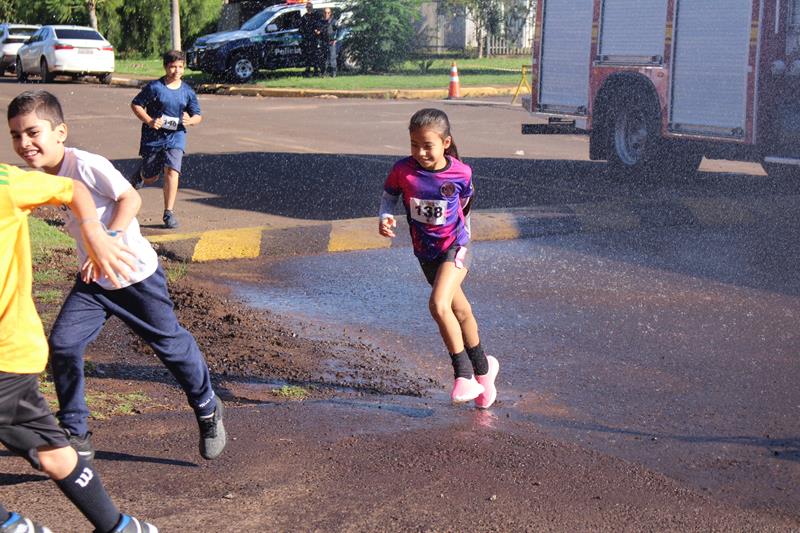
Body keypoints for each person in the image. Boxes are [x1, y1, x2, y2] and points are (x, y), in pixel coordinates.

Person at [8, 90, 227, 465]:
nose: (24, 143)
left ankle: (207, 407)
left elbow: (131, 199)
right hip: (94, 281)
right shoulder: (42, 176)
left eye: (32, 132)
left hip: (134, 274)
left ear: (60, 132)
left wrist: (106, 239)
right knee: (63, 344)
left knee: (170, 346)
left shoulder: (86, 164)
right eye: (15, 135)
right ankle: (76, 432)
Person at [0, 160, 157, 532]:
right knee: (54, 454)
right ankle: (120, 527)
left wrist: (96, 233)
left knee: (54, 451)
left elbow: (73, 189)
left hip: (7, 353)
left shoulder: (6, 183)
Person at [378, 108, 499, 408]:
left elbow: (465, 203)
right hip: (426, 253)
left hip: (456, 248)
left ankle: (462, 376)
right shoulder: (402, 171)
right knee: (461, 311)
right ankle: (485, 373)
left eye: (427, 145)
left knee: (438, 304)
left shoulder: (461, 172)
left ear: (446, 143)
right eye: (414, 144)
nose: (420, 152)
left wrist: (463, 236)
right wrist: (385, 216)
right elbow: (389, 195)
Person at [129, 50, 202, 229]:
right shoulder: (155, 88)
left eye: (180, 67)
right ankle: (140, 175)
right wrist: (149, 120)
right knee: (151, 177)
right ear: (165, 67)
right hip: (153, 137)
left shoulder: (187, 92)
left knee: (172, 170)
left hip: (176, 136)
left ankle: (168, 213)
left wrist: (190, 121)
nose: (176, 71)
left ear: (184, 68)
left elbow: (198, 115)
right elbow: (136, 104)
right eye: (172, 67)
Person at [299, 1, 321, 77]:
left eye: (310, 7)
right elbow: (301, 29)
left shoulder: (316, 15)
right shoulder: (304, 17)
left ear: (312, 7)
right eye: (307, 7)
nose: (309, 9)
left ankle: (316, 71)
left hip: (314, 39)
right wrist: (304, 34)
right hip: (307, 39)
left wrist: (317, 30)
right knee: (307, 56)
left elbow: (319, 25)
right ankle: (308, 70)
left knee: (315, 55)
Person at [319, 7, 338, 77]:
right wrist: (318, 32)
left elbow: (338, 30)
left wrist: (335, 39)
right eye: (325, 12)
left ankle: (333, 73)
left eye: (328, 13)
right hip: (323, 42)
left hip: (331, 42)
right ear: (323, 13)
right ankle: (323, 73)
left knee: (332, 58)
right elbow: (319, 30)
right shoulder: (321, 21)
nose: (326, 14)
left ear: (330, 13)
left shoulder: (334, 21)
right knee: (323, 58)